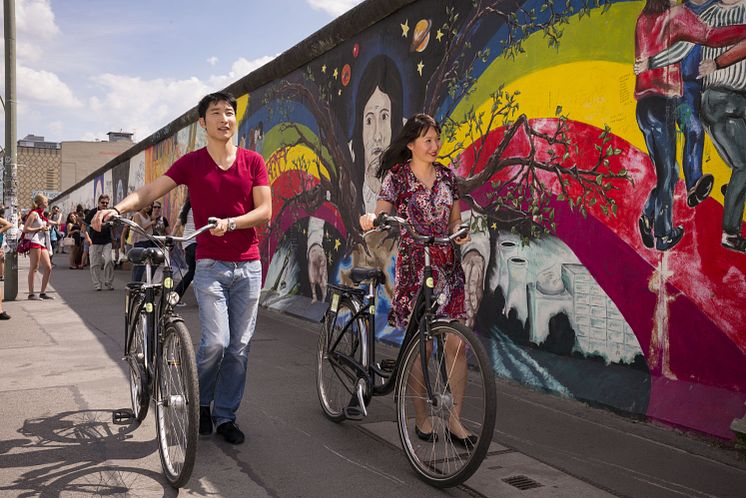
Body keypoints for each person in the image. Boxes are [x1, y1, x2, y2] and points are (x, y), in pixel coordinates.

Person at [92, 91, 272, 445]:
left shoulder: (252, 161)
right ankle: (200, 403)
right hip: (209, 265)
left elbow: (264, 210)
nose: (225, 119)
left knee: (240, 347)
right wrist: (118, 208)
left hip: (248, 266)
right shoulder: (192, 163)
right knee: (216, 342)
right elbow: (150, 191)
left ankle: (225, 415)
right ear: (202, 123)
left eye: (230, 112)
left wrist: (232, 223)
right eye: (216, 113)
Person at [359, 113, 475, 446]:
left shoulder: (448, 178)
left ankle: (454, 421)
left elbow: (454, 220)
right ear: (411, 144)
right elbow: (382, 212)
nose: (435, 145)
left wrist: (458, 232)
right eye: (428, 140)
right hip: (414, 267)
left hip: (447, 267)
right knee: (420, 346)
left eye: (437, 139)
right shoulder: (397, 177)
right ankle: (422, 420)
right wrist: (373, 218)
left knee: (456, 345)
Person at [634, 0, 746, 250]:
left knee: (671, 171)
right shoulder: (677, 15)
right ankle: (663, 235)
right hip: (665, 102)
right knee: (666, 175)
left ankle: (648, 216)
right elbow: (712, 37)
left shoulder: (643, 19)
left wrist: (653, 63)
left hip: (646, 106)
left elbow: (677, 48)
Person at [698, 0, 746, 252]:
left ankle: (735, 192)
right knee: (744, 165)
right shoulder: (708, 15)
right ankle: (730, 232)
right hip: (719, 101)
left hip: (741, 100)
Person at [23, 194, 54, 300]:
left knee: (48, 267)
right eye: (45, 201)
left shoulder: (41, 215)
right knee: (34, 267)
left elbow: (51, 223)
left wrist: (44, 227)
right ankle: (31, 294)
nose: (47, 203)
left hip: (42, 242)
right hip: (34, 241)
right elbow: (25, 229)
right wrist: (40, 228)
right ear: (40, 203)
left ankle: (43, 292)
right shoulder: (34, 214)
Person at [83, 194, 116, 290]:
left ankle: (108, 282)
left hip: (107, 241)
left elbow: (112, 227)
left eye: (106, 203)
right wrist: (87, 238)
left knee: (109, 260)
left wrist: (114, 239)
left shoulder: (110, 213)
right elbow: (84, 227)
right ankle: (97, 284)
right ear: (98, 202)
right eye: (103, 202)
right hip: (95, 242)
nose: (105, 204)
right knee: (95, 264)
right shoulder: (93, 212)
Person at [173, 193, 197, 304]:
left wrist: (171, 237)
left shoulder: (185, 207)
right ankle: (175, 295)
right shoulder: (200, 205)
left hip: (187, 243)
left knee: (194, 272)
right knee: (196, 272)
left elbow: (178, 224)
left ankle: (175, 295)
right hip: (196, 243)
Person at [129, 204, 157, 282]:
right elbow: (140, 228)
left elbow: (150, 229)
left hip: (148, 241)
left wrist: (153, 220)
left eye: (150, 205)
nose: (148, 207)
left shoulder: (148, 216)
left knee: (153, 263)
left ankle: (147, 282)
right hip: (139, 242)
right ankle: (136, 284)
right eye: (146, 205)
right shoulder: (137, 215)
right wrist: (151, 223)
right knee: (140, 265)